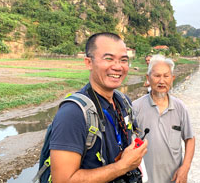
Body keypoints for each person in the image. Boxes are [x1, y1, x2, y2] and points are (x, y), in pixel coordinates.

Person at [49, 32, 148, 183]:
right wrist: (123, 166)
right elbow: (62, 180)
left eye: (123, 60)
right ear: (89, 63)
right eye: (108, 58)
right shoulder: (72, 114)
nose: (117, 67)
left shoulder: (123, 102)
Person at [132, 54, 196, 183]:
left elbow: (190, 139)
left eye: (166, 76)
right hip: (143, 179)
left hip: (173, 179)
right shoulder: (135, 107)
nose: (162, 81)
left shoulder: (180, 108)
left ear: (172, 79)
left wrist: (185, 167)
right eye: (157, 76)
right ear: (148, 78)